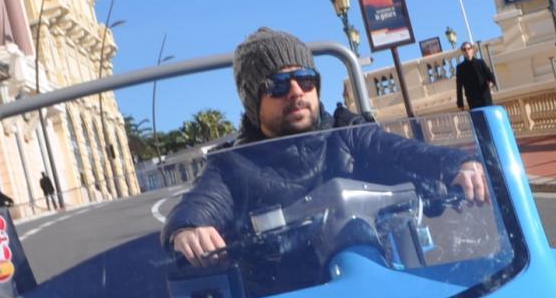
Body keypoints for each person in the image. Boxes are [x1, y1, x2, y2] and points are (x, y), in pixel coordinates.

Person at [166, 28, 490, 263]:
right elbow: (199, 204)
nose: (296, 92)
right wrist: (187, 229)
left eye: (305, 80)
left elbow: (398, 149)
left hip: (374, 273)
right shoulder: (233, 164)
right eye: (277, 86)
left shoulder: (347, 132)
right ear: (254, 101)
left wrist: (455, 164)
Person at [452, 41, 498, 111]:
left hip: (485, 97)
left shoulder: (480, 63)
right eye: (464, 49)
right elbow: (459, 87)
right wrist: (460, 104)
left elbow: (491, 77)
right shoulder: (460, 68)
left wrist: (490, 84)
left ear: (472, 50)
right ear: (462, 52)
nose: (467, 51)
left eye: (468, 48)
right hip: (473, 100)